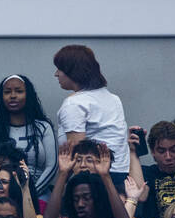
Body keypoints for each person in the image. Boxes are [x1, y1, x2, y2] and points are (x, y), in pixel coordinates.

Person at [53, 45, 129, 183]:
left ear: (72, 71)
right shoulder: (113, 98)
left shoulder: (74, 104)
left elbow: (76, 153)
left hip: (94, 177)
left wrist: (62, 187)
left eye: (60, 69)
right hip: (121, 174)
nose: (56, 74)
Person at [0, 74, 58, 198]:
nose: (13, 96)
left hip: (38, 194)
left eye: (19, 91)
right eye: (7, 92)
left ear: (29, 96)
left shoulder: (43, 128)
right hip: (1, 195)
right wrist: (2, 196)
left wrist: (29, 194)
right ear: (1, 97)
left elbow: (52, 167)